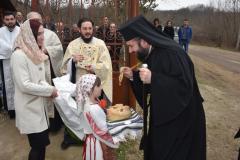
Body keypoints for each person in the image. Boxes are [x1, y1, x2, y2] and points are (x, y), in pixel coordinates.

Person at [119, 15, 206, 160]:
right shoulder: (154, 52)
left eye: (131, 46)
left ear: (145, 41)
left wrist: (153, 78)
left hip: (183, 120)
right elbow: (155, 80)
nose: (130, 51)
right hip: (166, 115)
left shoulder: (172, 53)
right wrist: (134, 77)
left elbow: (184, 87)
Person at [61, 17, 112, 149]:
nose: (88, 31)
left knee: (95, 112)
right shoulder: (73, 45)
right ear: (79, 29)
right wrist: (73, 61)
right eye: (84, 28)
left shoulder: (100, 44)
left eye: (90, 28)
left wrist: (94, 67)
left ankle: (98, 137)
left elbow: (107, 65)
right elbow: (63, 67)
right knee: (79, 112)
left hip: (96, 87)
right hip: (79, 85)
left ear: (93, 29)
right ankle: (78, 137)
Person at [11, 19, 58, 160]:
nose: (42, 37)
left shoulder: (34, 52)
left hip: (39, 107)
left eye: (43, 33)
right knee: (37, 146)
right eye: (38, 34)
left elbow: (40, 79)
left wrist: (51, 89)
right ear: (29, 35)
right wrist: (49, 91)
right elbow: (24, 85)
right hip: (29, 107)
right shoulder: (18, 55)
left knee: (42, 144)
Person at [27, 11, 64, 132]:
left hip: (49, 70)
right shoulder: (24, 36)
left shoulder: (51, 34)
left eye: (38, 20)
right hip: (33, 74)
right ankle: (39, 126)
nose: (36, 22)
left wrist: (47, 50)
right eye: (33, 20)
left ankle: (54, 125)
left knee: (51, 97)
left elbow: (59, 49)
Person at [76, 74, 118, 160]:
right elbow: (105, 128)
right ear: (90, 90)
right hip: (98, 143)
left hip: (92, 140)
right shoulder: (93, 108)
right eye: (98, 86)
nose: (101, 88)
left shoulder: (87, 103)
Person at [0, 11, 20, 118]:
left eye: (11, 19)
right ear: (4, 20)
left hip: (19, 62)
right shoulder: (0, 31)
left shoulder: (20, 31)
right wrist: (12, 48)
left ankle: (19, 108)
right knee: (7, 85)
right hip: (5, 62)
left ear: (15, 19)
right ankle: (10, 110)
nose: (10, 22)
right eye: (7, 19)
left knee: (18, 84)